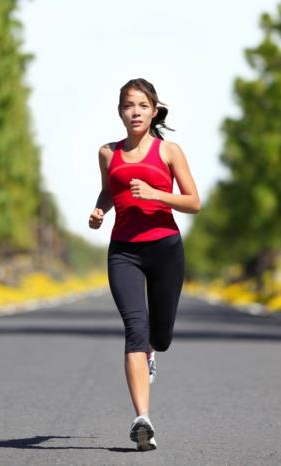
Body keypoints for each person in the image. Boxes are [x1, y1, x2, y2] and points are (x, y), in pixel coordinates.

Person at [88, 78, 201, 451]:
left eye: (141, 105)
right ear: (119, 111)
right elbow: (110, 186)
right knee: (134, 329)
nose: (134, 112)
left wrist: (156, 194)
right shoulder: (108, 152)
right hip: (124, 251)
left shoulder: (169, 151)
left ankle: (153, 351)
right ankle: (143, 420)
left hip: (165, 249)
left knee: (161, 336)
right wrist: (101, 208)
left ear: (154, 111)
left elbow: (193, 201)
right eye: (127, 106)